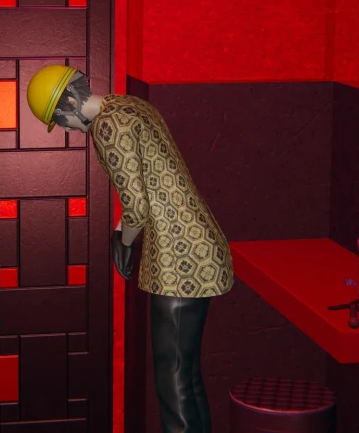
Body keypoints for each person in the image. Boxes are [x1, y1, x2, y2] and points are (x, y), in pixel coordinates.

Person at [25, 65, 234, 433]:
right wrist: (121, 231)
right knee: (186, 377)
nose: (67, 129)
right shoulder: (129, 106)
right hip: (199, 242)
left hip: (178, 257)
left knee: (173, 381)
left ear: (69, 101)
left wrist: (123, 242)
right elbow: (152, 179)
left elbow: (137, 206)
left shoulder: (107, 127)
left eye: (60, 120)